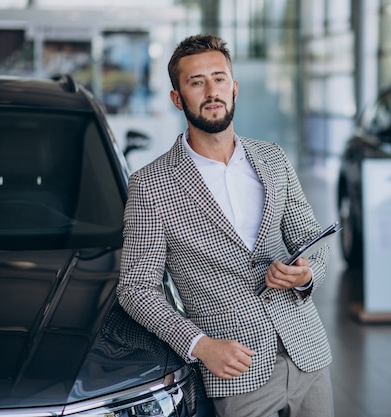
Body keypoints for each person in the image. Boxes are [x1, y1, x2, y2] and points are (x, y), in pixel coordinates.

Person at [116, 33, 334, 417]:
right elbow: (136, 288)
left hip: (307, 354)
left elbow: (311, 239)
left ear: (234, 88)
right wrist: (199, 345)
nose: (210, 91)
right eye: (196, 82)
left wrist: (306, 274)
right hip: (235, 368)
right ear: (177, 98)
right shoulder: (151, 184)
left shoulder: (273, 158)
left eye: (218, 78)